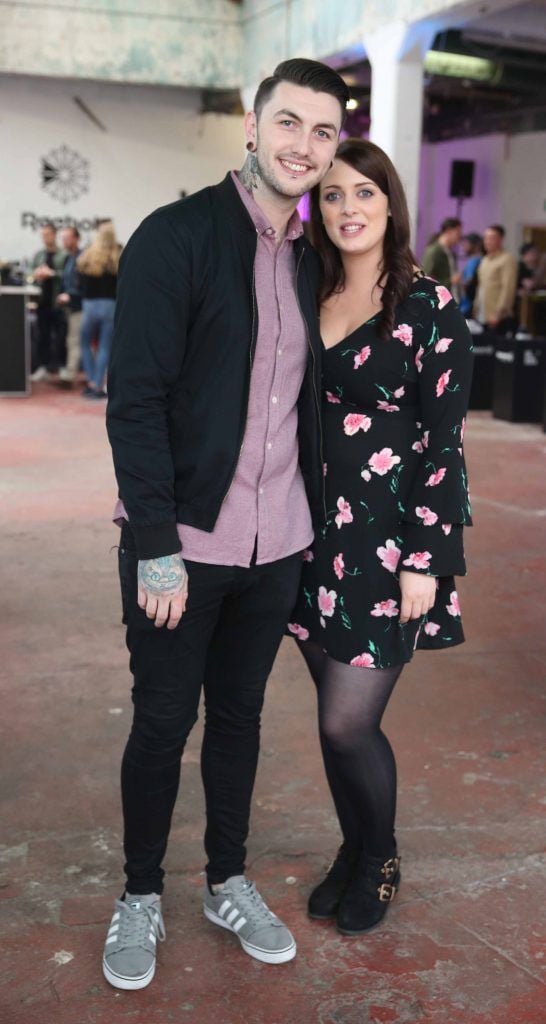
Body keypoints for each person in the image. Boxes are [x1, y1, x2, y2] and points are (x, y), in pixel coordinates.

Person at [104, 58, 349, 990]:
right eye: (289, 123)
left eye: (322, 133)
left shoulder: (312, 255)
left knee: (240, 720)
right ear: (252, 127)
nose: (303, 146)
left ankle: (226, 879)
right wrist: (157, 547)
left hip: (277, 542)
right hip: (186, 547)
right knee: (164, 722)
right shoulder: (178, 238)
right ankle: (138, 894)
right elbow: (136, 402)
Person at [287, 138, 473, 937]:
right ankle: (353, 845)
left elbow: (444, 441)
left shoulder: (429, 305)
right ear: (315, 208)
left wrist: (427, 561)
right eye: (332, 195)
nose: (349, 208)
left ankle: (381, 856)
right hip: (300, 538)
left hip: (386, 548)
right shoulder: (305, 285)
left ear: (390, 203)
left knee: (348, 722)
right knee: (330, 712)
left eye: (364, 193)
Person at [77, 222, 120, 397]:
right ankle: (98, 384)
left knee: (85, 343)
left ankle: (92, 381)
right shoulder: (118, 256)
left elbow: (79, 281)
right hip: (110, 304)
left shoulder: (87, 255)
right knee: (104, 346)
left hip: (90, 304)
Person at [29, 222, 67, 381]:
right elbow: (29, 275)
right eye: (43, 236)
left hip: (59, 302)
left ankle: (60, 367)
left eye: (47, 235)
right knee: (42, 336)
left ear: (54, 235)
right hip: (42, 302)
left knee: (61, 336)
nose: (45, 238)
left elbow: (69, 275)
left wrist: (53, 274)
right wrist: (36, 274)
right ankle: (43, 367)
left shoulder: (64, 255)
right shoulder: (39, 255)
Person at [473, 224, 517, 334]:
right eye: (486, 238)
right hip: (482, 313)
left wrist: (498, 313)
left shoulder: (507, 259)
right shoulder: (484, 260)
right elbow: (481, 286)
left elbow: (508, 288)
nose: (487, 241)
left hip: (498, 316)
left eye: (491, 238)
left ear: (500, 240)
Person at [57, 226, 83, 386]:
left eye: (67, 237)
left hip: (79, 306)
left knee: (75, 341)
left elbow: (84, 285)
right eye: (63, 238)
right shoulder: (68, 258)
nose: (64, 241)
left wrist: (70, 295)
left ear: (76, 238)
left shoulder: (82, 258)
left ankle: (70, 375)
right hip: (69, 306)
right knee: (72, 341)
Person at [422, 218, 462, 297]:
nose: (459, 236)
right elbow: (426, 279)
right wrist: (450, 281)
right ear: (449, 231)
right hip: (439, 302)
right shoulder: (434, 251)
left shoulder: (450, 252)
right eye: (458, 232)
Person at [459, 232, 482, 318]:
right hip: (464, 305)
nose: (464, 246)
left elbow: (469, 283)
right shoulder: (471, 260)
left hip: (469, 306)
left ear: (476, 246)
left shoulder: (477, 261)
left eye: (467, 244)